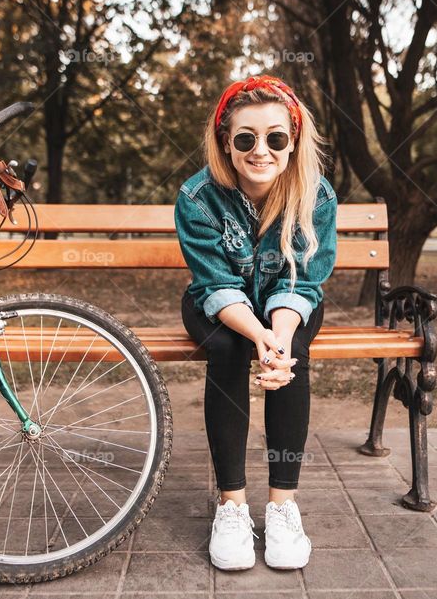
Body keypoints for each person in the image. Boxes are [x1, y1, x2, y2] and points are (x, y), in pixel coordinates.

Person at [175, 75, 337, 571]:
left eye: (275, 137)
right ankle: (231, 505)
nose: (260, 150)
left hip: (290, 301)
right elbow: (215, 283)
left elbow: (303, 282)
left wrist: (278, 337)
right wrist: (256, 334)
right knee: (227, 350)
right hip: (217, 302)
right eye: (245, 138)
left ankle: (283, 506)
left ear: (293, 140)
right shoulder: (197, 196)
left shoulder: (317, 196)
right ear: (227, 142)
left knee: (293, 356)